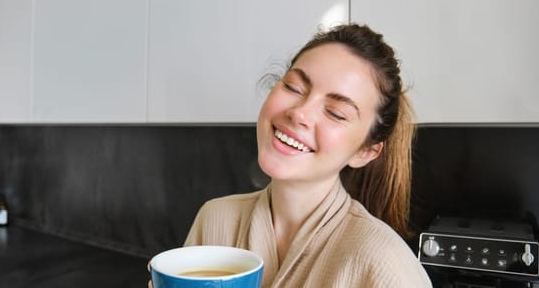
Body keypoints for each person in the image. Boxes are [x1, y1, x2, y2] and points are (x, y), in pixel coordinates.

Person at [184, 24, 433, 287]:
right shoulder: (215, 219)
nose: (299, 113)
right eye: (293, 87)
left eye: (336, 112)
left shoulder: (385, 265)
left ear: (365, 152)